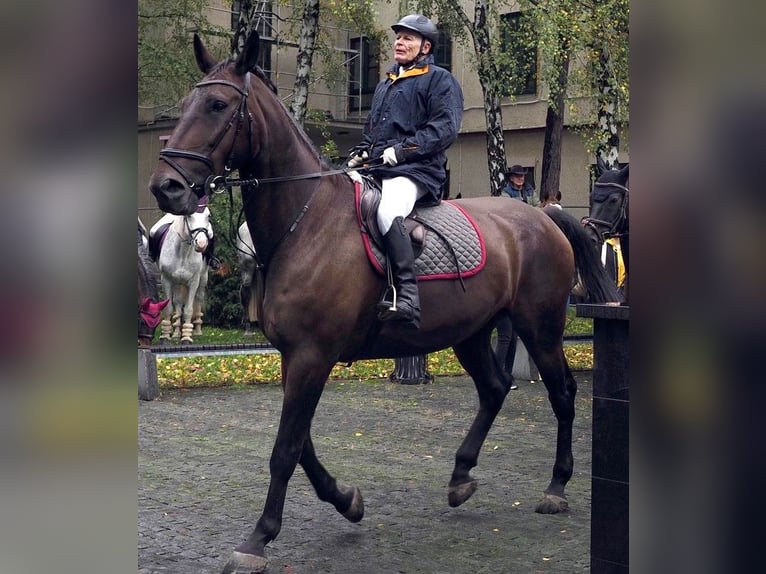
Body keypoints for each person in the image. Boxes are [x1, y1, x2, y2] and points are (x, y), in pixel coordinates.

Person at [347, 14, 464, 329]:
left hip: (418, 171)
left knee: (386, 213)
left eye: (408, 38)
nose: (399, 42)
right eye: (398, 36)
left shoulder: (440, 80)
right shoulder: (387, 82)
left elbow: (444, 129)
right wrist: (362, 152)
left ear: (425, 46)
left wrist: (402, 151)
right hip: (380, 169)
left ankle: (407, 296)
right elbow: (375, 131)